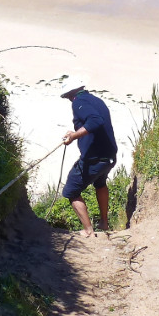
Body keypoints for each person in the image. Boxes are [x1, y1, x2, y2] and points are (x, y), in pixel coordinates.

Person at [59, 78, 118, 237]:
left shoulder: (78, 102)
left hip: (95, 158)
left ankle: (88, 231)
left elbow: (95, 120)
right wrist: (75, 133)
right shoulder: (96, 100)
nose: (68, 99)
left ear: (71, 93)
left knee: (71, 191)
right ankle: (104, 223)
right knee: (100, 183)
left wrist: (74, 135)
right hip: (109, 155)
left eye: (67, 96)